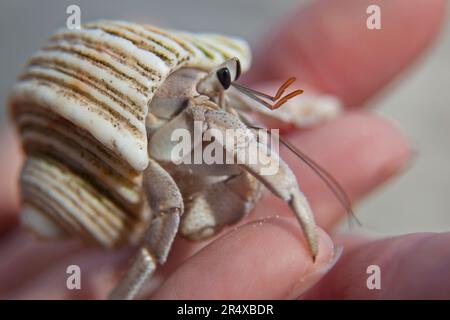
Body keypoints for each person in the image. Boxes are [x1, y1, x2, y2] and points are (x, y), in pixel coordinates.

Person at [0, 0, 447, 299]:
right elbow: (172, 192)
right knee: (170, 202)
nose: (216, 99)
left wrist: (302, 112)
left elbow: (224, 102)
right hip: (101, 172)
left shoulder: (202, 95)